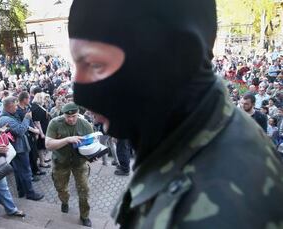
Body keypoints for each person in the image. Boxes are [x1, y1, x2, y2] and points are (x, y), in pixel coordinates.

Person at [67, 0, 283, 228]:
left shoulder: (211, 215)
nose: (79, 93)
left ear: (174, 58)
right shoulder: (190, 131)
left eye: (96, 64)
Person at [45, 102, 93, 227]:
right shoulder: (55, 123)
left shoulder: (86, 125)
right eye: (68, 117)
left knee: (84, 190)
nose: (71, 119)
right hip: (61, 163)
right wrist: (67, 140)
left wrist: (93, 154)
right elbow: (48, 145)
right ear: (63, 114)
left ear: (78, 114)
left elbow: (92, 144)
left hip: (80, 163)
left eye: (74, 116)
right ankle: (64, 201)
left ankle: (84, 216)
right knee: (61, 188)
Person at [0, 96, 44, 201]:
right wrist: (27, 118)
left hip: (17, 148)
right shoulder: (6, 119)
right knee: (25, 171)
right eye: (15, 105)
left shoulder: (9, 116)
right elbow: (21, 131)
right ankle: (30, 193)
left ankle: (22, 191)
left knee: (19, 172)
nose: (17, 107)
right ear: (9, 106)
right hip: (19, 149)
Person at [31, 92, 51, 168]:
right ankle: (42, 162)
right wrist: (41, 133)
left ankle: (43, 159)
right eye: (44, 98)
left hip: (42, 128)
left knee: (42, 145)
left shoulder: (37, 106)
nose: (45, 99)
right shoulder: (36, 108)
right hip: (40, 130)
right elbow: (37, 122)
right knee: (40, 146)